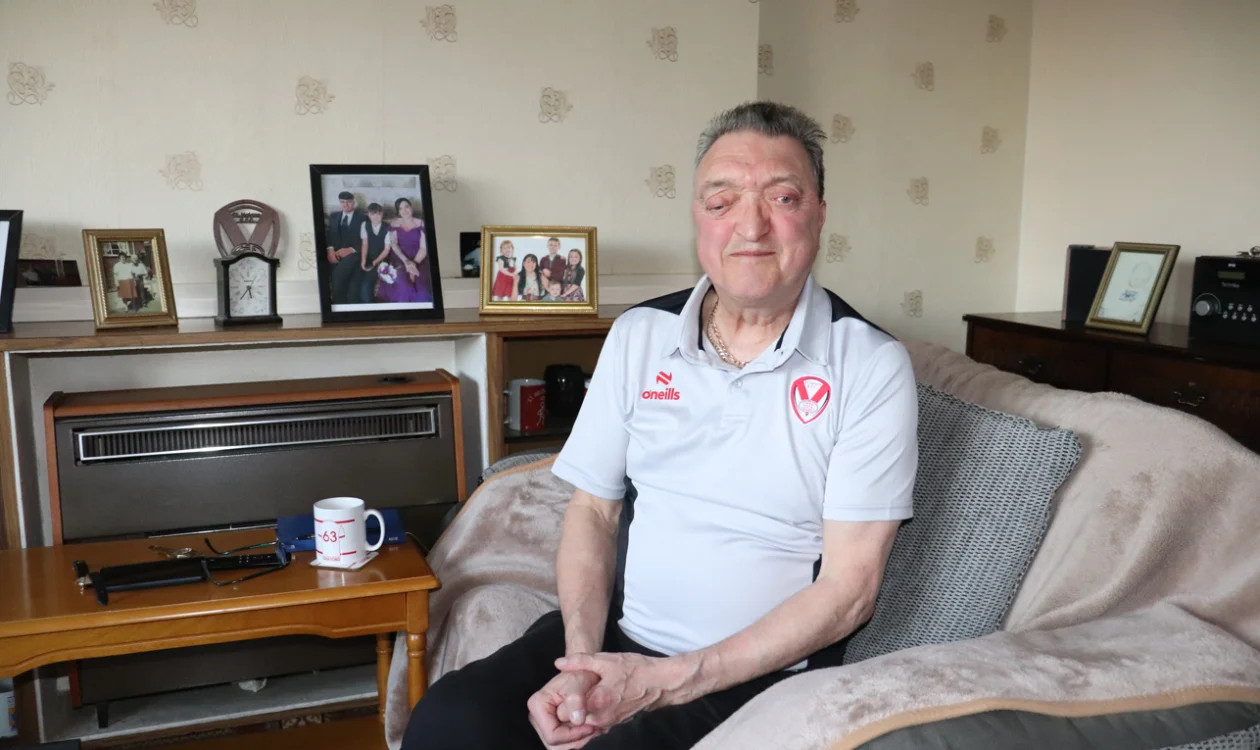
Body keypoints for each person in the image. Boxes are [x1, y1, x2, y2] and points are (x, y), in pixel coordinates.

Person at [402, 101, 919, 750]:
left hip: (755, 679)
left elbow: (850, 591)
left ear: (818, 212)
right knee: (449, 722)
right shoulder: (638, 335)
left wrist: (668, 680)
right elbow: (592, 511)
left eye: (781, 197)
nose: (750, 226)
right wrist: (583, 663)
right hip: (617, 638)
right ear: (698, 220)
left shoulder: (870, 365)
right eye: (721, 200)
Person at [377, 197, 433, 304]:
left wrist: (413, 264)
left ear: (411, 207)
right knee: (405, 286)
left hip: (419, 257)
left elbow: (423, 248)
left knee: (422, 292)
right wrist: (406, 261)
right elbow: (394, 244)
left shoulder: (421, 223)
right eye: (400, 208)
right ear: (398, 211)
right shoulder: (395, 222)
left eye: (406, 207)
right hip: (399, 256)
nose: (404, 211)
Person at [327, 191, 368, 304]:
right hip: (336, 254)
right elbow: (329, 234)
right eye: (342, 202)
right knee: (352, 288)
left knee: (337, 275)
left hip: (355, 254)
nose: (345, 205)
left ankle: (337, 305)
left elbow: (368, 239)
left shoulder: (363, 218)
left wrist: (351, 250)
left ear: (353, 202)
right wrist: (330, 250)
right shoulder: (334, 216)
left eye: (349, 202)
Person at [359, 203, 392, 302]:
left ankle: (369, 306)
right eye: (372, 214)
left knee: (367, 282)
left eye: (378, 214)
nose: (375, 217)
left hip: (381, 257)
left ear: (382, 214)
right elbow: (365, 244)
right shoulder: (365, 225)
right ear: (368, 215)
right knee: (357, 278)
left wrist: (375, 262)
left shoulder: (388, 228)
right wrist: (363, 260)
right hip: (368, 256)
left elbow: (386, 250)